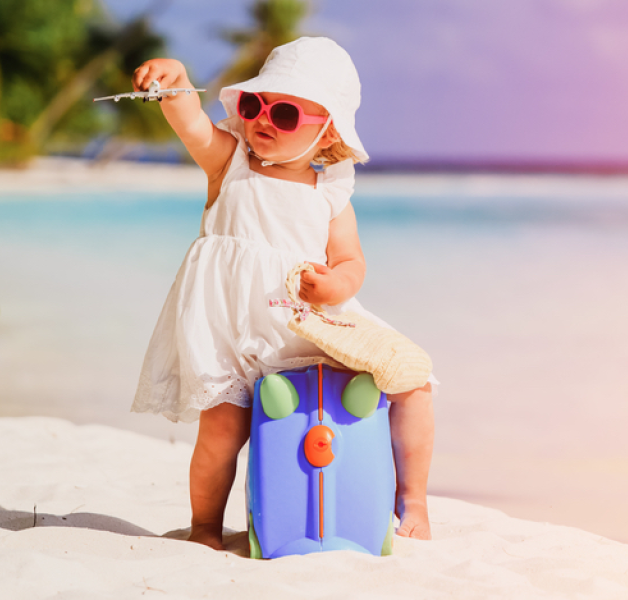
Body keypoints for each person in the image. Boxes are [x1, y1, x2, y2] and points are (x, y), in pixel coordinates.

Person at [129, 37, 436, 550]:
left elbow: (351, 262)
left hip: (305, 333)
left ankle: (415, 500)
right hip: (232, 337)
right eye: (254, 105)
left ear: (328, 131)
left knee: (414, 383)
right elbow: (191, 123)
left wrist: (335, 284)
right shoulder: (229, 163)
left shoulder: (330, 196)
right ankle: (205, 526)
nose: (263, 120)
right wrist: (176, 81)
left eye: (286, 113)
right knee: (220, 434)